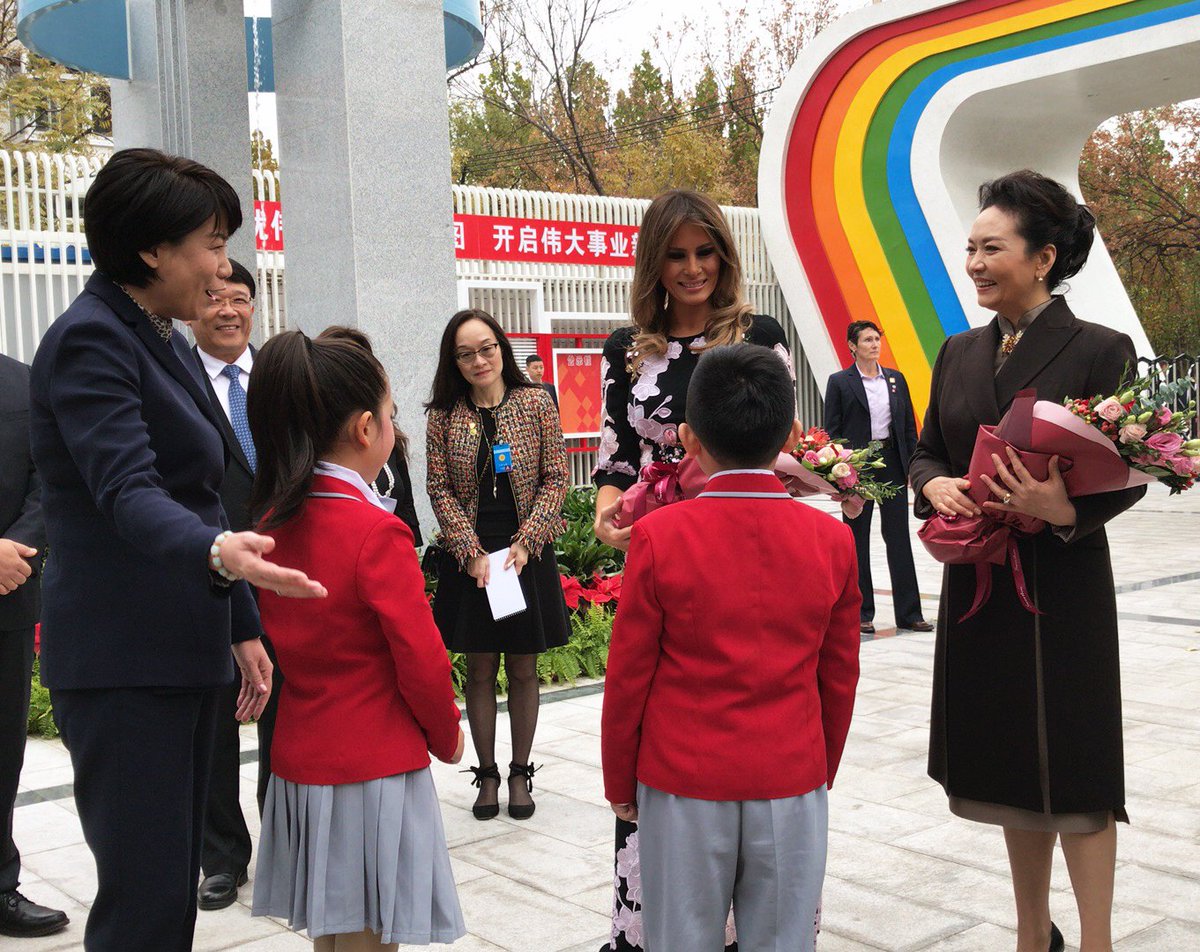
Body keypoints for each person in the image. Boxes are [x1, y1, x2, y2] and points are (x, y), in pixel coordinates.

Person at [28, 148, 325, 952]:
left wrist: (241, 625)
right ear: (153, 250)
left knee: (169, 901)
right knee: (146, 903)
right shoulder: (92, 341)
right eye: (212, 244)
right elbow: (128, 490)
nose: (224, 268)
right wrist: (221, 555)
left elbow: (199, 492)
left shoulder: (160, 337)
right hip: (126, 665)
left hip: (182, 649)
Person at [909, 170, 1146, 952]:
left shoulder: (1102, 350)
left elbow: (1137, 467)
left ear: (1043, 258)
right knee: (1015, 769)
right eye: (971, 248)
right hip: (981, 586)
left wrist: (1064, 508)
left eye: (991, 248)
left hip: (1064, 587)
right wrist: (933, 484)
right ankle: (1031, 933)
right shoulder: (957, 351)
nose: (974, 263)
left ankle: (1097, 939)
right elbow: (926, 451)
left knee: (1078, 767)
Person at [602, 344, 860, 951]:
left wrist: (620, 780)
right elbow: (838, 675)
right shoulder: (831, 540)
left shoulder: (659, 536)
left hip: (682, 776)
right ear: (791, 435)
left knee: (682, 939)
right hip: (791, 772)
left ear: (688, 439)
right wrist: (820, 766)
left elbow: (629, 675)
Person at [590, 187, 792, 952]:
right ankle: (648, 925)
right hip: (659, 561)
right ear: (654, 263)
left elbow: (780, 451)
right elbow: (615, 459)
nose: (693, 268)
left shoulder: (758, 336)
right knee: (652, 721)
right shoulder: (626, 349)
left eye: (705, 252)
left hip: (743, 567)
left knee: (739, 725)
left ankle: (745, 923)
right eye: (676, 255)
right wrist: (610, 514)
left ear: (724, 256)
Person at [247, 329, 466, 951]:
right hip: (374, 761)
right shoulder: (376, 531)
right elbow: (420, 657)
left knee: (333, 933)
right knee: (372, 936)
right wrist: (445, 734)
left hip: (302, 751)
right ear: (367, 429)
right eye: (392, 415)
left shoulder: (272, 521)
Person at [426, 309, 570, 821]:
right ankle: (486, 774)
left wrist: (528, 541)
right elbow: (438, 486)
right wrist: (467, 551)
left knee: (524, 666)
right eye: (465, 354)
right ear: (454, 361)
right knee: (481, 666)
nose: (479, 361)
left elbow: (556, 477)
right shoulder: (444, 414)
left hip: (524, 551)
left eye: (486, 348)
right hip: (473, 556)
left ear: (501, 348)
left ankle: (520, 772)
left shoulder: (536, 401)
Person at [190, 258, 262, 911]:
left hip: (284, 573)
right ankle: (221, 856)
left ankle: (288, 841)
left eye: (239, 298)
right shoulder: (173, 380)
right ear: (194, 306)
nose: (228, 310)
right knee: (215, 720)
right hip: (207, 574)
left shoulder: (282, 379)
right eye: (214, 297)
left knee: (289, 716)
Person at [0, 353, 69, 939]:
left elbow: (51, 474)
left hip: (9, 595)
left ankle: (0, 886)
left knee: (3, 753)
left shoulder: (22, 381)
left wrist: (16, 546)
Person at [823, 321, 931, 634]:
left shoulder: (895, 379)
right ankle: (861, 613)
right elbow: (833, 431)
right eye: (867, 340)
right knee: (856, 538)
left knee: (898, 537)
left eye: (876, 339)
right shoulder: (840, 382)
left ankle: (910, 613)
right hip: (857, 467)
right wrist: (840, 473)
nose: (874, 344)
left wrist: (913, 465)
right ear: (852, 346)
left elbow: (908, 427)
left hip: (892, 463)